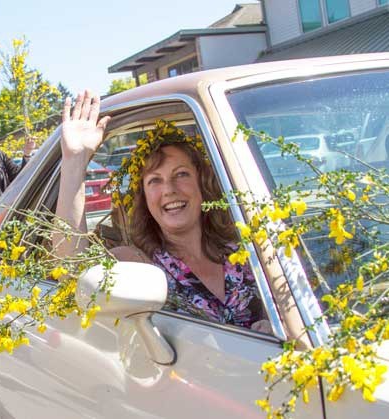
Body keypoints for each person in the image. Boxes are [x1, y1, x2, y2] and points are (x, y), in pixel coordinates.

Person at [56, 90, 268, 331]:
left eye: (181, 174)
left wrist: (272, 326)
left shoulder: (245, 250)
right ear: (145, 198)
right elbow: (74, 275)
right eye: (155, 180)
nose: (169, 189)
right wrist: (74, 160)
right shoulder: (136, 262)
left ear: (202, 184)